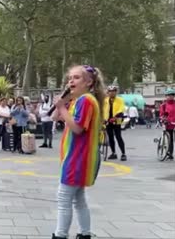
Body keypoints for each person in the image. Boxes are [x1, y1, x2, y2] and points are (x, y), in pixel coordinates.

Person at [51, 65, 105, 239]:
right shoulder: (78, 101)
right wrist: (62, 105)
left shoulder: (86, 100)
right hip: (78, 157)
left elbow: (77, 128)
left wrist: (63, 108)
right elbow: (55, 118)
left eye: (76, 78)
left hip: (78, 157)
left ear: (89, 82)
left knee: (64, 197)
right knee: (78, 199)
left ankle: (60, 235)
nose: (71, 81)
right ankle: (84, 233)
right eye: (69, 78)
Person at [103, 85, 127, 161]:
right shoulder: (105, 100)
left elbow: (121, 109)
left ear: (116, 92)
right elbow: (103, 110)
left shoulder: (120, 100)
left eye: (113, 91)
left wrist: (115, 117)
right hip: (108, 120)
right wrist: (103, 119)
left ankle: (123, 154)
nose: (112, 93)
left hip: (117, 119)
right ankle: (113, 153)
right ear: (108, 92)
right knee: (110, 137)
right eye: (110, 91)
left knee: (118, 136)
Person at [160, 88, 175, 160]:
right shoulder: (163, 105)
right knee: (169, 139)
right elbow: (161, 114)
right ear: (166, 96)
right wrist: (164, 120)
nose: (170, 97)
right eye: (168, 95)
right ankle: (170, 153)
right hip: (168, 124)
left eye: (172, 95)